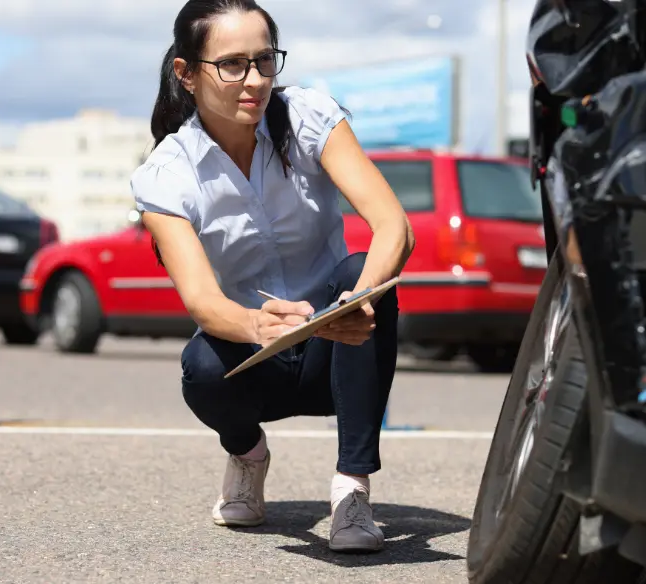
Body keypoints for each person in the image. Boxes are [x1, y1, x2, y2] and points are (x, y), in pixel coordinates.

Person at [130, 0, 414, 553]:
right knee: (201, 366)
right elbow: (203, 303)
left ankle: (352, 489)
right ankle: (248, 454)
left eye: (264, 61)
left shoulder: (308, 116)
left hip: (337, 347)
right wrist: (260, 326)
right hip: (252, 351)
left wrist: (355, 302)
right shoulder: (165, 175)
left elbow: (393, 227)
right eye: (232, 65)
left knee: (363, 273)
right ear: (186, 74)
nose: (253, 81)